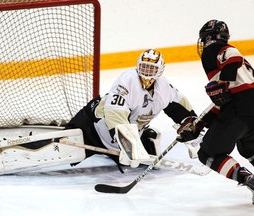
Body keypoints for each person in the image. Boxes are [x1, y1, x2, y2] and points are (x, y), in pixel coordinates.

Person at [65, 48, 197, 169]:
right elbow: (114, 115)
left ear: (160, 70)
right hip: (93, 129)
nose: (146, 73)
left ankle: (145, 138)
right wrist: (129, 146)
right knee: (63, 149)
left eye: (152, 69)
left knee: (131, 161)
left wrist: (192, 130)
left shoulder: (164, 87)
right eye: (144, 67)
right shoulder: (128, 81)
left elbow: (181, 109)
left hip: (117, 144)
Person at [177, 19, 254, 204]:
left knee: (208, 153)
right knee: (249, 150)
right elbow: (226, 101)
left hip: (240, 111)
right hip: (246, 109)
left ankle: (249, 180)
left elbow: (232, 55)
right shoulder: (241, 70)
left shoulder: (213, 49)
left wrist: (222, 83)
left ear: (208, 38)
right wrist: (200, 124)